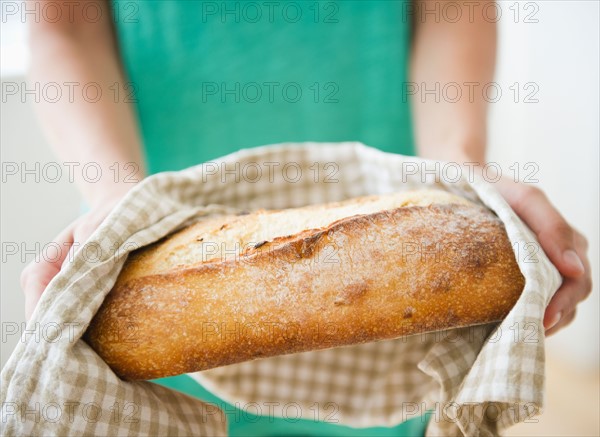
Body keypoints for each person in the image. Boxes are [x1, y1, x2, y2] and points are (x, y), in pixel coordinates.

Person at [22, 0, 591, 435]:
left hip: (401, 251)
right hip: (156, 246)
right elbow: (62, 18)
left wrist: (458, 167)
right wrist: (117, 199)